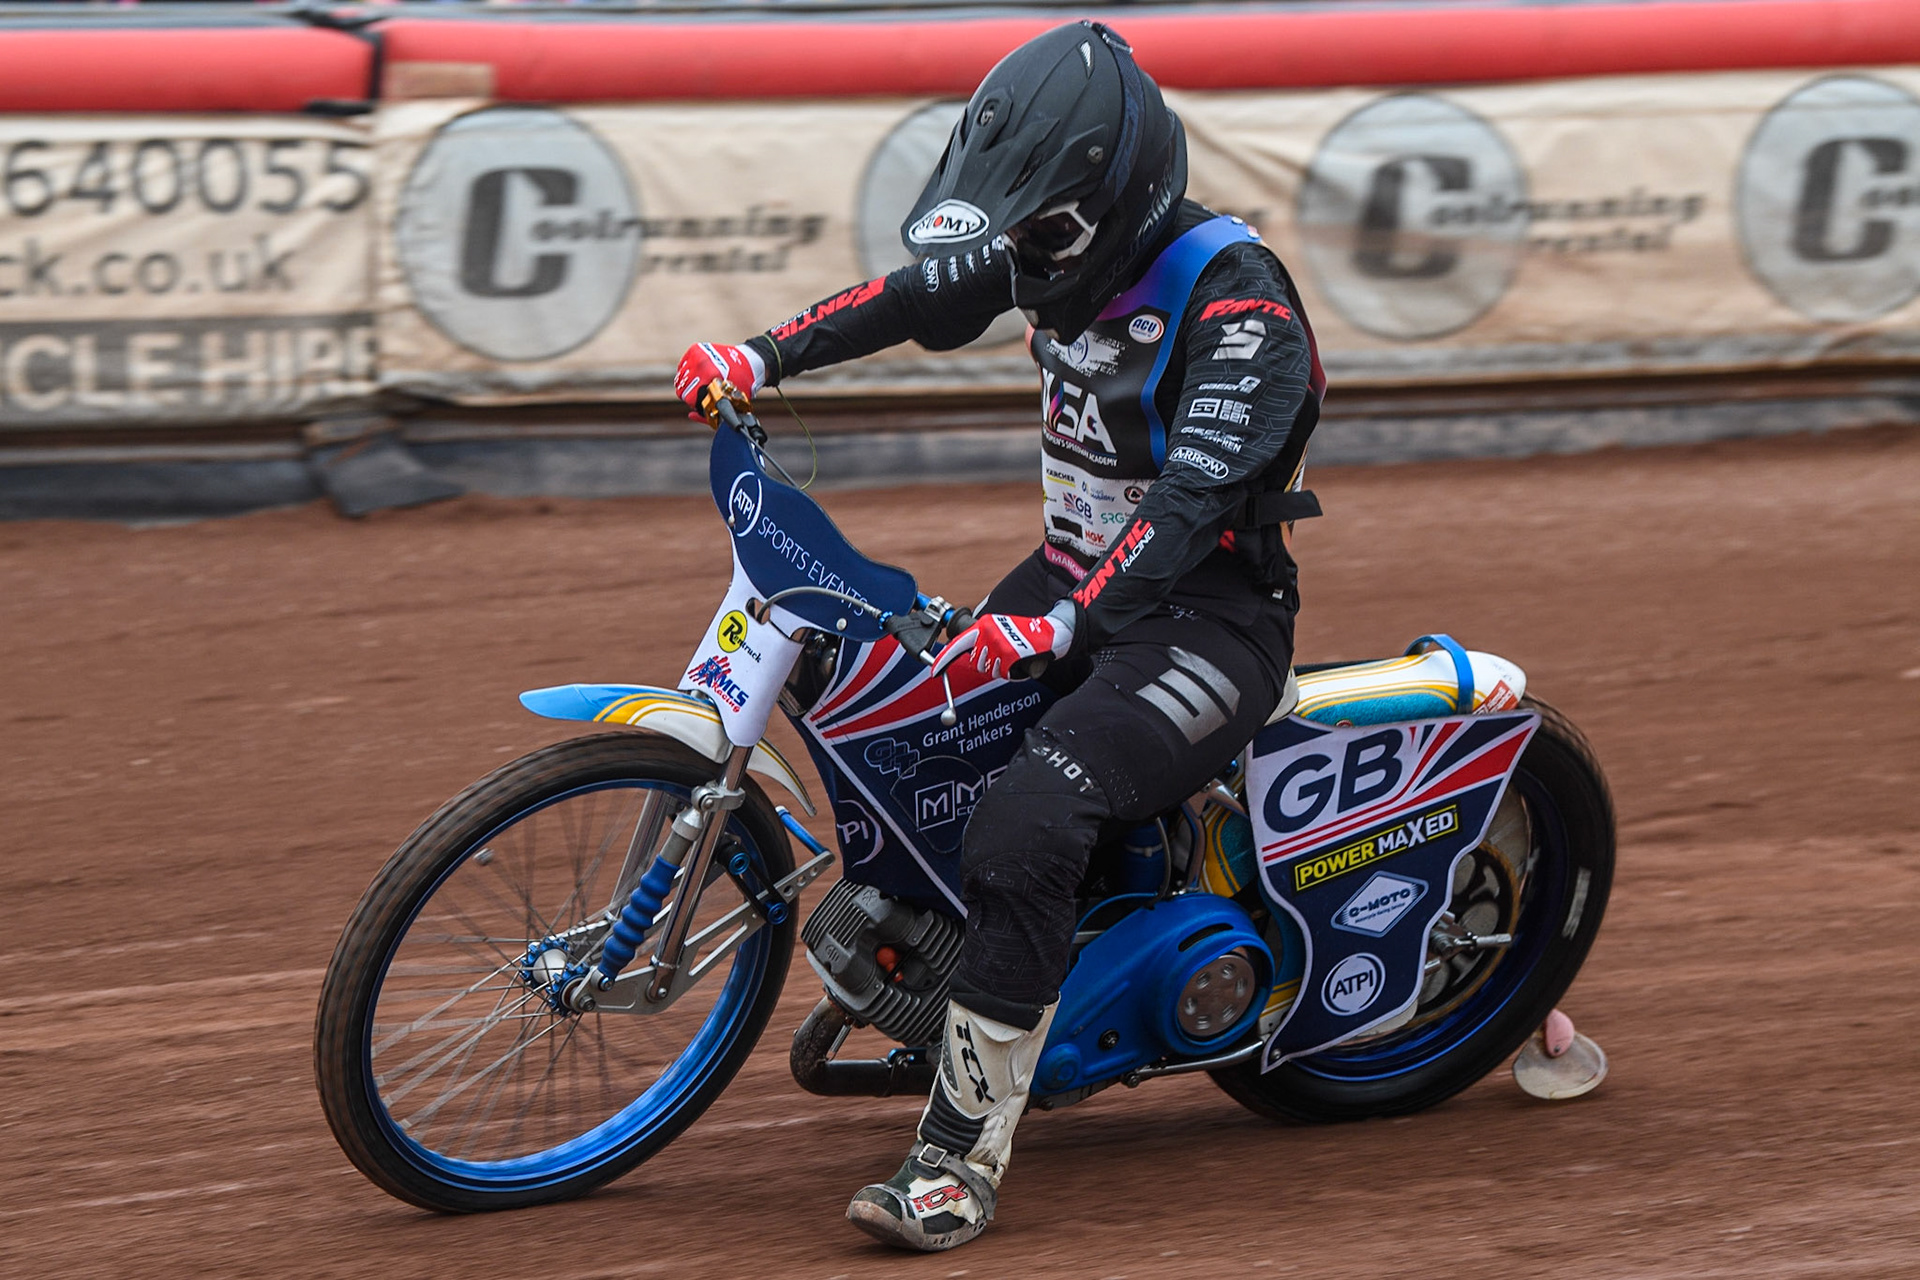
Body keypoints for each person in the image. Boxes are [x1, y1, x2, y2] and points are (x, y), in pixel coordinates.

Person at [674, 21, 1324, 1252]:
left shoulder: (1240, 306)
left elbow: (1189, 510)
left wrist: (1055, 622)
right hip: (1071, 586)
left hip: (1208, 622)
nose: (1025, 262)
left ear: (1113, 197)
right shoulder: (1053, 238)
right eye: (1016, 233)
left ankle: (958, 1160)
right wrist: (761, 354)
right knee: (906, 717)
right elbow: (913, 294)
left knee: (1027, 824)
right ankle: (970, 958)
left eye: (1044, 236)